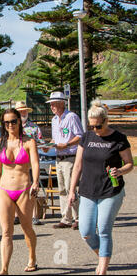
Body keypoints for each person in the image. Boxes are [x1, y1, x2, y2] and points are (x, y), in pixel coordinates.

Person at [68, 100, 133, 275]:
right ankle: (103, 255)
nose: (95, 130)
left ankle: (103, 268)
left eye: (98, 126)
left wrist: (119, 170)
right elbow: (78, 166)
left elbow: (130, 164)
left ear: (106, 121)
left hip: (110, 191)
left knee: (103, 229)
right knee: (86, 232)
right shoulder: (87, 137)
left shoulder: (118, 138)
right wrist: (71, 190)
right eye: (92, 126)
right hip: (88, 190)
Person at [0, 108, 40, 275]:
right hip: (5, 189)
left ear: (19, 121)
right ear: (3, 124)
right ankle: (4, 269)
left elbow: (35, 164)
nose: (10, 125)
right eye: (7, 122)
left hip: (24, 189)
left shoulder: (29, 142)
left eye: (13, 121)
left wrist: (35, 182)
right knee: (6, 231)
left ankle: (32, 257)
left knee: (27, 227)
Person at [44, 91, 83, 230]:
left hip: (70, 157)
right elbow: (55, 138)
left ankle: (78, 218)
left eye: (54, 104)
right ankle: (66, 217)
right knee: (61, 188)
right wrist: (48, 145)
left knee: (71, 188)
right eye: (51, 104)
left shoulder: (71, 117)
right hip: (59, 157)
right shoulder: (54, 120)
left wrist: (66, 144)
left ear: (62, 103)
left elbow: (80, 136)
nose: (52, 107)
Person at [15, 101, 45, 226]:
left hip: (31, 161)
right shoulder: (12, 127)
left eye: (24, 110)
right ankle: (17, 215)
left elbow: (41, 142)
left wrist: (44, 146)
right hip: (17, 162)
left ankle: (34, 216)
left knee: (33, 187)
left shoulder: (34, 127)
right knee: (16, 188)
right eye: (20, 111)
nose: (23, 112)